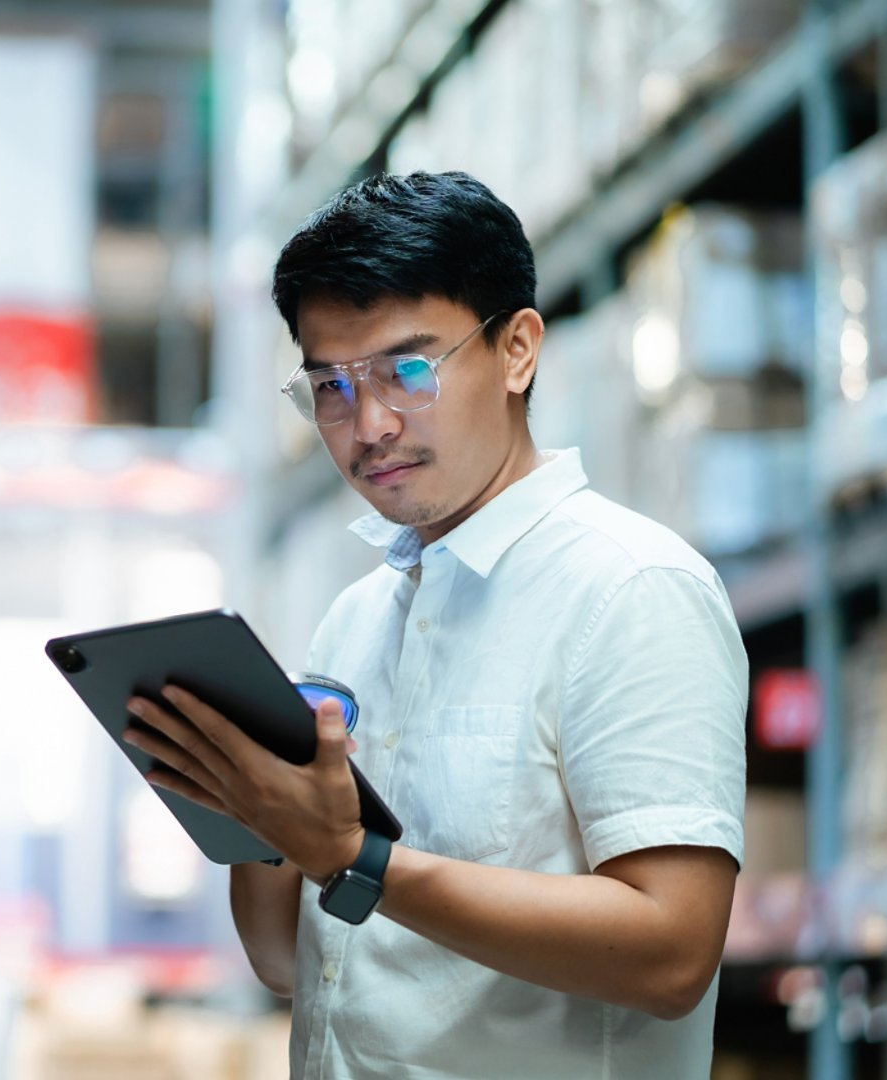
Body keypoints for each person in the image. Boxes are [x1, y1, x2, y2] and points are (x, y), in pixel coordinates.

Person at [120, 172, 747, 1078]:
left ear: (518, 350)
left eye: (406, 371)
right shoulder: (355, 622)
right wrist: (251, 813)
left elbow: (673, 952)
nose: (369, 424)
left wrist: (356, 857)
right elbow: (281, 962)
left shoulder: (630, 590)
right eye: (329, 387)